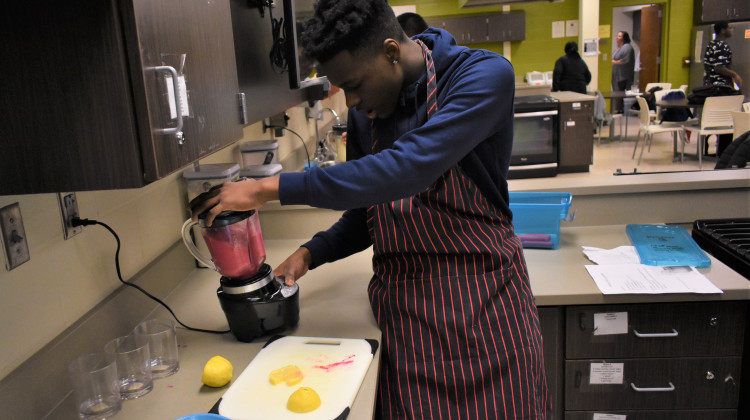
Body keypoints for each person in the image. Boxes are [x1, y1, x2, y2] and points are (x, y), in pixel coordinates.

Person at [191, 0, 549, 418]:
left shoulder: (481, 76)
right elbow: (370, 208)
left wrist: (268, 188)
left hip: (487, 307)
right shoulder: (368, 116)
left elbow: (407, 169)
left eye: (356, 85)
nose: (353, 103)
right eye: (344, 90)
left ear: (392, 51)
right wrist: (312, 253)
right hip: (409, 319)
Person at [703, 21, 743, 157]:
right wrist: (734, 75)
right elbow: (719, 67)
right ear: (722, 30)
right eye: (730, 28)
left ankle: (706, 150)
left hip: (710, 87)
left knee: (713, 118)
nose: (732, 30)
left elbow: (710, 66)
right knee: (728, 119)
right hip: (722, 88)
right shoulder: (723, 46)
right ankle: (724, 151)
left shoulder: (711, 45)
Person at [611, 31, 635, 113]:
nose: (617, 38)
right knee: (616, 92)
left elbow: (625, 60)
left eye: (620, 36)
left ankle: (620, 109)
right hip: (616, 74)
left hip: (623, 75)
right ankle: (617, 108)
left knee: (620, 92)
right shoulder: (616, 49)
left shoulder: (627, 47)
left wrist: (615, 62)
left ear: (624, 38)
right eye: (617, 36)